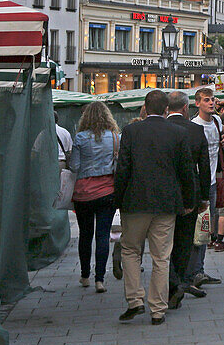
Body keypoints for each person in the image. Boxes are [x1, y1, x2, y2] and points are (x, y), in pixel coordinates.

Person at [113, 89, 196, 325]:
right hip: (166, 203)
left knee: (130, 250)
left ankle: (135, 300)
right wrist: (189, 201)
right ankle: (158, 309)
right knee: (161, 256)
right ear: (166, 109)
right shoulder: (178, 133)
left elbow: (123, 169)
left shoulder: (131, 131)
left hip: (135, 202)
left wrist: (118, 200)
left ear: (145, 108)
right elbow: (186, 171)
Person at [165, 91, 212, 309]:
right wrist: (203, 196)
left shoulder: (160, 129)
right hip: (188, 193)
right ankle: (181, 281)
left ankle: (170, 281)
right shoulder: (195, 130)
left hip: (164, 193)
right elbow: (204, 167)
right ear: (186, 108)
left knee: (164, 241)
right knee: (184, 241)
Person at [69, 101, 120, 293]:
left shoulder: (80, 138)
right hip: (107, 192)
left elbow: (74, 166)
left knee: (85, 234)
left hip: (83, 193)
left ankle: (84, 275)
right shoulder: (116, 138)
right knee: (103, 235)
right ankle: (100, 279)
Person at [193, 88, 224, 256]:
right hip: (199, 180)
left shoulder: (216, 120)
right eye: (206, 100)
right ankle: (196, 267)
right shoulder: (195, 125)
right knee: (201, 222)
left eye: (212, 99)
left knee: (210, 219)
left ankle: (200, 267)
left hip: (213, 179)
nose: (211, 103)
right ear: (197, 104)